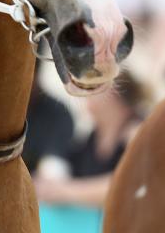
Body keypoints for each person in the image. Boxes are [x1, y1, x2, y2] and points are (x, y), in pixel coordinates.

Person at [33, 71, 149, 233]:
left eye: (93, 87)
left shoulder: (136, 132)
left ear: (113, 91)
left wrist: (64, 191)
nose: (85, 93)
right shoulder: (92, 137)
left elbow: (129, 185)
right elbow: (62, 169)